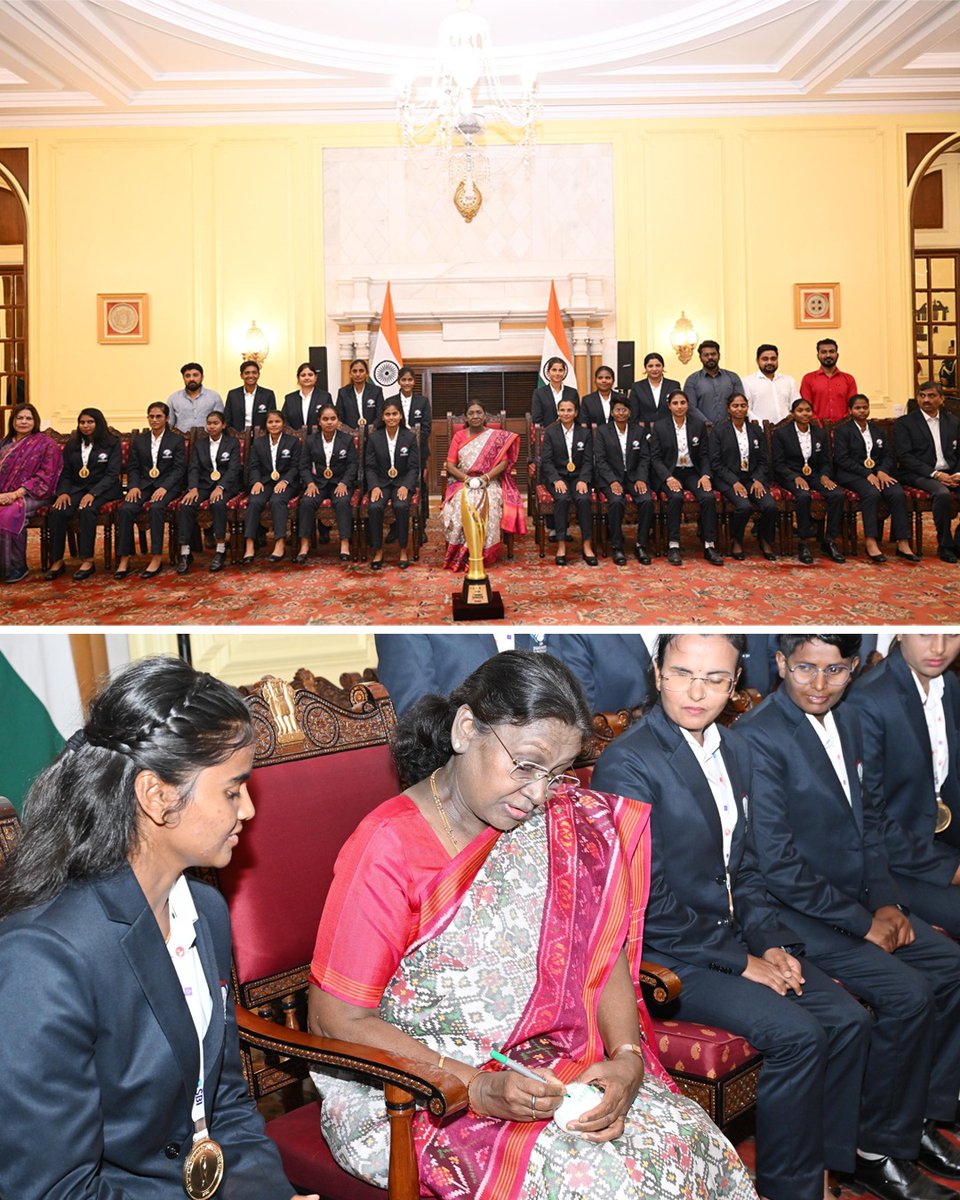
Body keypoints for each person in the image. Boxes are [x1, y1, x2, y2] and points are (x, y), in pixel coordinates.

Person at [306, 649, 757, 1200]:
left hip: (545, 1066)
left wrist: (626, 1060)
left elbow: (602, 948)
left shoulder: (554, 821)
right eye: (525, 765)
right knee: (605, 1185)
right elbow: (337, 1018)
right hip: (415, 1090)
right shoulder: (387, 846)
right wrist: (475, 1086)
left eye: (557, 774)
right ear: (467, 727)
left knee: (692, 1142)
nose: (540, 794)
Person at [0, 656, 316, 1200]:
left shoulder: (206, 911)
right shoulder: (42, 959)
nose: (248, 811)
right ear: (157, 795)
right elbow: (57, 1189)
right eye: (232, 790)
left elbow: (225, 1101)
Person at [592, 633, 871, 1200]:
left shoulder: (736, 750)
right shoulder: (629, 763)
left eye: (715, 679)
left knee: (849, 1019)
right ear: (658, 672)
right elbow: (648, 899)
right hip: (666, 956)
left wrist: (767, 943)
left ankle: (826, 1165)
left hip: (734, 936)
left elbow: (744, 869)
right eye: (682, 674)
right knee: (798, 1035)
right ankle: (789, 1189)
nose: (697, 692)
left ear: (736, 681)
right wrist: (739, 961)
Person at [738, 634, 960, 1200]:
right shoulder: (758, 736)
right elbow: (778, 865)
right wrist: (863, 923)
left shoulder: (850, 718)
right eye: (805, 668)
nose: (819, 683)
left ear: (853, 667)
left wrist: (885, 901)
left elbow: (870, 824)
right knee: (909, 994)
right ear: (781, 663)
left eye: (834, 669)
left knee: (951, 966)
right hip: (793, 915)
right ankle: (873, 1148)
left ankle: (917, 1120)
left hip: (853, 902)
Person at [848, 632, 960, 937]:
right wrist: (951, 868)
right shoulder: (869, 699)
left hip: (936, 842)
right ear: (900, 630)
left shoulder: (948, 684)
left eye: (952, 634)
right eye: (925, 633)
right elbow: (868, 820)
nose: (939, 648)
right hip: (890, 862)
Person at [833, 393, 918, 563]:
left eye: (865, 407)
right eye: (858, 408)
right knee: (871, 494)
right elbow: (842, 459)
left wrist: (882, 471)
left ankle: (903, 542)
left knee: (897, 493)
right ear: (850, 410)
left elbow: (888, 455)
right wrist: (867, 474)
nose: (862, 411)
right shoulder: (843, 431)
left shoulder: (878, 430)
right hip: (852, 474)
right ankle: (871, 541)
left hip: (879, 473)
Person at [441, 401, 525, 571]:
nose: (475, 416)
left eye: (479, 412)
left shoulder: (496, 436)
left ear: (485, 415)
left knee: (490, 503)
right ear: (466, 417)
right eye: (471, 413)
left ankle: (484, 553)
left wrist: (484, 479)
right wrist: (467, 479)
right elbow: (450, 466)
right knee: (461, 503)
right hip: (462, 481)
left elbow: (503, 464)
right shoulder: (459, 437)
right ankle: (463, 552)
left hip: (489, 481)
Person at [45, 406, 121, 582]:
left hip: (104, 489)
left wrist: (93, 493)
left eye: (90, 422)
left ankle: (87, 561)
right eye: (82, 422)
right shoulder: (72, 445)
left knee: (87, 510)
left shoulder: (112, 443)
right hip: (77, 489)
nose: (85, 426)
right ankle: (56, 561)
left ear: (98, 423)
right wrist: (63, 493)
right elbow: (65, 473)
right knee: (57, 511)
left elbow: (112, 474)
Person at [650, 390, 723, 566]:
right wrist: (668, 477)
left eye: (682, 402)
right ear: (669, 406)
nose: (679, 406)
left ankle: (709, 545)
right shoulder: (659, 427)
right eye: (675, 403)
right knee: (675, 497)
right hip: (671, 473)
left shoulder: (698, 425)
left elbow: (705, 455)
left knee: (708, 496)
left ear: (688, 404)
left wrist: (705, 475)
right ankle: (673, 545)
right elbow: (655, 458)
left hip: (692, 472)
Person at [114, 402, 185, 580]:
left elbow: (178, 469)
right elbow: (133, 467)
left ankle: (156, 557)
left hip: (167, 486)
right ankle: (124, 558)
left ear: (166, 418)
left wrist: (164, 487)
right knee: (126, 508)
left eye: (158, 416)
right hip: (143, 485)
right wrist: (133, 486)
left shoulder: (175, 440)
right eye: (151, 416)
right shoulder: (140, 440)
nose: (154, 420)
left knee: (156, 508)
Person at [771, 397, 845, 565]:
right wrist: (794, 477)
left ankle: (830, 540)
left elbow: (826, 460)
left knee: (837, 495)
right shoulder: (782, 433)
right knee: (803, 496)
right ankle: (803, 541)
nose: (805, 414)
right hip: (791, 475)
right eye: (800, 411)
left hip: (816, 475)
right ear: (793, 414)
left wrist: (825, 476)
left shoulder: (819, 433)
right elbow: (778, 463)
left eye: (808, 411)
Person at [894, 381, 960, 563]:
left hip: (951, 472)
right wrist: (936, 475)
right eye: (922, 396)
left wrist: (958, 474)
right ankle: (945, 545)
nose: (926, 400)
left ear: (942, 399)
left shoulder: (953, 422)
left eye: (931, 396)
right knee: (942, 493)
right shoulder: (906, 423)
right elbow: (905, 457)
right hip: (919, 474)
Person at [709, 392, 779, 561]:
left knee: (769, 505)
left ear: (747, 408)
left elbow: (764, 460)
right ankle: (737, 539)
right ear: (728, 409)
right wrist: (734, 482)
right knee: (744, 506)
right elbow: (716, 463)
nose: (739, 409)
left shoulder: (756, 430)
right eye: (735, 406)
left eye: (743, 406)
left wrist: (757, 479)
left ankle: (765, 539)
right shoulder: (719, 431)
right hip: (728, 479)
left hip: (752, 478)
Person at [0, 403, 61, 584]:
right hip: (3, 495)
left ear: (35, 422)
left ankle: (16, 566)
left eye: (28, 418)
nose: (24, 422)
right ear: (13, 421)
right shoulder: (4, 444)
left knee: (10, 512)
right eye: (20, 418)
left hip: (35, 494)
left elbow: (47, 476)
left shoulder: (46, 445)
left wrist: (16, 493)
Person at [176, 409, 242, 575]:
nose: (212, 427)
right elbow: (194, 468)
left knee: (218, 503)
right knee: (186, 504)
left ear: (223, 425)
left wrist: (221, 487)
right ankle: (185, 551)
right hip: (204, 485)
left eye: (215, 423)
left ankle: (220, 549)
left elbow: (234, 469)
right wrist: (193, 489)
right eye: (209, 424)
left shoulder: (232, 443)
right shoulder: (200, 444)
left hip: (225, 485)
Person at [593, 395, 653, 565]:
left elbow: (644, 458)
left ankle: (641, 544)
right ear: (612, 412)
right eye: (617, 410)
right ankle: (617, 546)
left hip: (634, 478)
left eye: (624, 410)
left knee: (647, 500)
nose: (621, 413)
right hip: (611, 478)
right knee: (616, 501)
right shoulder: (603, 431)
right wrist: (612, 481)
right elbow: (601, 459)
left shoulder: (639, 431)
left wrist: (641, 478)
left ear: (629, 412)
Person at [296, 402, 357, 564]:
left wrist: (344, 483)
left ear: (338, 420)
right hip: (318, 483)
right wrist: (309, 483)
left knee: (343, 502)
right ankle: (304, 544)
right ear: (319, 421)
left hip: (340, 483)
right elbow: (304, 465)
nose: (329, 422)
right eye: (325, 419)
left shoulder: (347, 440)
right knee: (307, 502)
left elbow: (352, 465)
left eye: (333, 418)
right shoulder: (310, 441)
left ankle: (344, 543)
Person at [538, 398, 597, 566]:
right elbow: (547, 461)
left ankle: (587, 545)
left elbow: (587, 461)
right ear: (558, 412)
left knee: (584, 499)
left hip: (579, 477)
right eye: (562, 410)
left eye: (569, 410)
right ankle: (561, 544)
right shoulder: (550, 432)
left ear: (576, 412)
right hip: (558, 477)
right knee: (562, 499)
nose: (565, 413)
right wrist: (556, 479)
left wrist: (584, 480)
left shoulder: (584, 433)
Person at [365, 400, 418, 570]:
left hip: (402, 482)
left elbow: (413, 467)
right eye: (387, 414)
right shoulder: (374, 438)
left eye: (395, 414)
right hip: (381, 483)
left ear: (400, 415)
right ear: (382, 416)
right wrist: (374, 487)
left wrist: (406, 486)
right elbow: (370, 466)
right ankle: (378, 550)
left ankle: (403, 550)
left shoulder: (409, 437)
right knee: (374, 507)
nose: (391, 417)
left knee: (401, 506)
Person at [242, 409, 300, 564]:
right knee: (254, 501)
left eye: (277, 421)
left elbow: (295, 467)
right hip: (265, 481)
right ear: (266, 425)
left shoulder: (292, 441)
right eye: (270, 422)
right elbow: (253, 466)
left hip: (286, 482)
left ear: (283, 424)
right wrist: (257, 481)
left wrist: (285, 481)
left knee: (277, 501)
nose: (274, 425)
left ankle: (279, 542)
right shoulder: (259, 442)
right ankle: (249, 544)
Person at [394, 366, 432, 542]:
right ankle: (395, 526)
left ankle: (421, 527)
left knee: (419, 489)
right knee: (396, 486)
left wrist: (410, 441)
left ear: (414, 382)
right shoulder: (391, 401)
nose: (407, 383)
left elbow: (426, 428)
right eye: (403, 380)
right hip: (394, 453)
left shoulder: (422, 402)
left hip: (418, 452)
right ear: (398, 381)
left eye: (410, 380)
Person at [682, 340, 744, 427]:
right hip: (702, 430)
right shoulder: (692, 380)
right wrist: (706, 422)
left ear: (719, 356)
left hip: (730, 428)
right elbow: (690, 407)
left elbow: (740, 403)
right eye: (706, 355)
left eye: (713, 354)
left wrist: (730, 421)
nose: (710, 357)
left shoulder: (733, 377)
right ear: (700, 358)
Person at [799, 340, 857, 424]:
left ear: (837, 355)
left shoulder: (849, 379)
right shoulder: (808, 379)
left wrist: (842, 424)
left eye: (831, 351)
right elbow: (806, 406)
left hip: (844, 429)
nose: (828, 355)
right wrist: (819, 425)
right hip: (816, 429)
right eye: (823, 352)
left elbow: (853, 406)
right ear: (818, 355)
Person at [742, 344, 797, 426]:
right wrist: (763, 425)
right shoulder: (747, 382)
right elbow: (746, 409)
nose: (769, 362)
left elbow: (796, 406)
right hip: (760, 431)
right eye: (765, 359)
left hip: (787, 431)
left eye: (773, 359)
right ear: (757, 361)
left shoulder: (789, 381)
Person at [167, 361, 224, 432]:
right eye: (187, 376)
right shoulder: (173, 398)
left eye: (195, 375)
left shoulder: (214, 396)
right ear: (183, 378)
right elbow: (169, 424)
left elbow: (219, 422)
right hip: (181, 440)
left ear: (202, 377)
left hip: (208, 440)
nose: (191, 379)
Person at [224, 359, 277, 431]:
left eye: (254, 372)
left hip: (261, 438)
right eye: (247, 373)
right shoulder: (233, 395)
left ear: (258, 375)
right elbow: (227, 419)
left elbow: (272, 418)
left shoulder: (268, 394)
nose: (251, 375)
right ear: (241, 375)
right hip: (237, 437)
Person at [628, 352, 680, 425]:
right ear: (645, 368)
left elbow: (678, 409)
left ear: (663, 367)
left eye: (658, 365)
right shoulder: (637, 387)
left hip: (669, 429)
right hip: (645, 431)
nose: (654, 369)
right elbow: (634, 414)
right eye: (650, 366)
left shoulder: (673, 385)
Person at [280, 362, 332, 432]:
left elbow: (330, 419)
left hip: (318, 439)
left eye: (310, 375)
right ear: (298, 378)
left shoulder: (325, 397)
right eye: (303, 375)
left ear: (315, 377)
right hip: (294, 440)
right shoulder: (290, 398)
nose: (307, 378)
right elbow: (284, 420)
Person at [336, 358, 384, 429]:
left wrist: (372, 428)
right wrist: (349, 431)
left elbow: (380, 414)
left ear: (367, 373)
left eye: (361, 371)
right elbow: (339, 416)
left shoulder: (376, 391)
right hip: (349, 434)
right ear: (350, 374)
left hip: (373, 434)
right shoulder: (343, 392)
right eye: (354, 371)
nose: (358, 374)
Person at [531, 356, 578, 427]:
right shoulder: (539, 393)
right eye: (554, 370)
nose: (557, 373)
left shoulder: (572, 392)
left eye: (560, 370)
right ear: (548, 373)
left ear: (564, 372)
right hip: (547, 433)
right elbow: (536, 418)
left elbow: (577, 416)